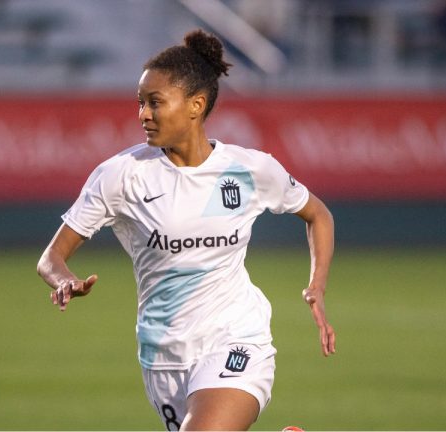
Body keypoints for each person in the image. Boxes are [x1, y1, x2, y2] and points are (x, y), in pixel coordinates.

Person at [37, 29, 336, 431]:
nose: (143, 114)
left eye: (155, 103)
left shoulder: (248, 169)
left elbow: (318, 214)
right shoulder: (120, 176)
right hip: (163, 356)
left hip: (235, 337)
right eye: (140, 103)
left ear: (196, 105)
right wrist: (64, 280)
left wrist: (316, 285)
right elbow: (51, 257)